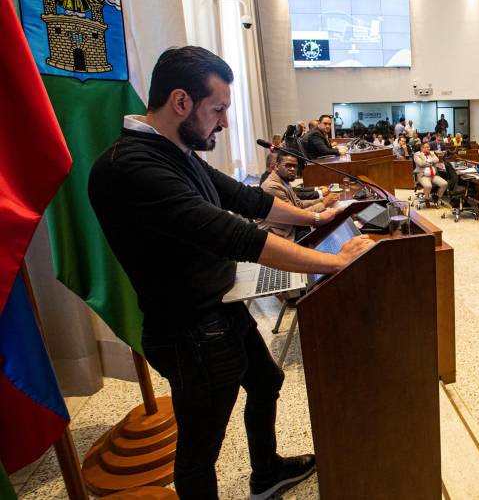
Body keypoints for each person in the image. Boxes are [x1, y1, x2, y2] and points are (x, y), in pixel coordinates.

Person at [87, 46, 374, 499]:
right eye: (217, 109)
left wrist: (317, 219)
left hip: (220, 307)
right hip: (190, 330)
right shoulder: (133, 168)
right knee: (201, 449)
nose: (223, 122)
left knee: (266, 380)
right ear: (181, 102)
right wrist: (337, 261)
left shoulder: (175, 151)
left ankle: (266, 472)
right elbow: (236, 236)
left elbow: (248, 201)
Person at [258, 152, 340, 241]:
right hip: (281, 235)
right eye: (288, 165)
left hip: (289, 227)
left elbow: (299, 204)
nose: (292, 169)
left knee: (330, 224)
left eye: (295, 166)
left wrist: (322, 200)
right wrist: (323, 204)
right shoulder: (272, 187)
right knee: (327, 232)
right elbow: (296, 216)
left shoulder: (283, 180)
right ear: (277, 166)